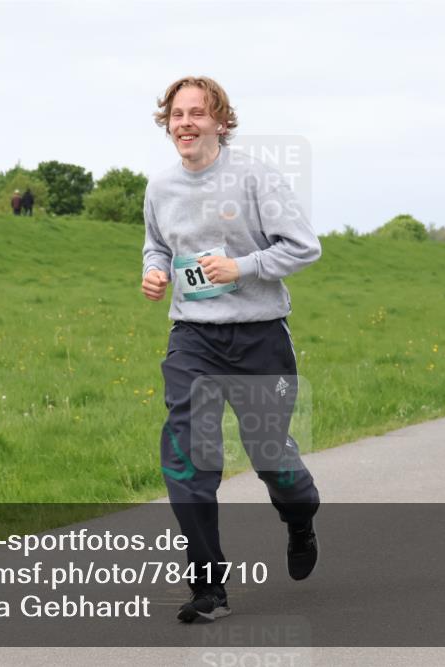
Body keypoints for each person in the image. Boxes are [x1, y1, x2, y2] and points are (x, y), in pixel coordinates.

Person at [142, 76, 321, 623]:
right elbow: (157, 243)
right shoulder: (160, 187)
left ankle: (299, 513)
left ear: (222, 121)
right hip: (193, 335)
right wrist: (152, 270)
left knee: (269, 454)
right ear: (167, 122)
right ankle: (208, 587)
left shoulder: (254, 177)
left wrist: (240, 268)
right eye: (177, 114)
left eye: (198, 113)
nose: (186, 123)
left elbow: (303, 246)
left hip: (259, 333)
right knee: (187, 460)